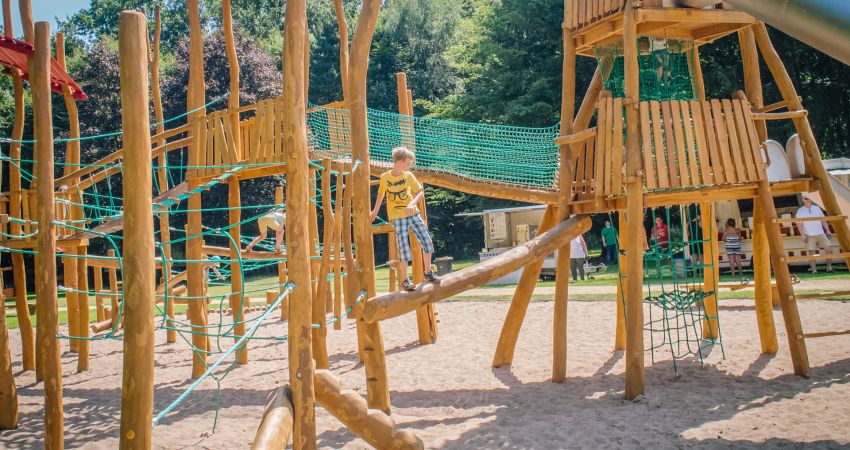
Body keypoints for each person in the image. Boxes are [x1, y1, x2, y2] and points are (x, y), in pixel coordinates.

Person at [370, 147, 440, 291]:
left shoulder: (408, 176)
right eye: (408, 163)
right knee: (403, 250)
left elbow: (420, 191)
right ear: (400, 163)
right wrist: (374, 212)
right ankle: (405, 281)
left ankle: (428, 272)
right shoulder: (385, 177)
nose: (409, 166)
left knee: (427, 241)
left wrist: (413, 202)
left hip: (413, 214)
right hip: (398, 217)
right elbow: (381, 195)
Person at [796, 195, 834, 273]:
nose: (808, 200)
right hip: (809, 234)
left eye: (809, 198)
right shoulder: (800, 211)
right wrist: (802, 234)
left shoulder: (817, 208)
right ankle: (814, 271)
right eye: (806, 198)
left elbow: (823, 220)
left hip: (821, 233)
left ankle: (829, 268)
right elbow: (799, 224)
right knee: (811, 253)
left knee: (829, 249)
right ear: (803, 200)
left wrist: (827, 230)